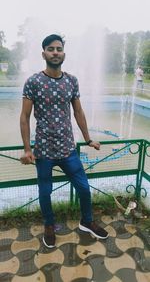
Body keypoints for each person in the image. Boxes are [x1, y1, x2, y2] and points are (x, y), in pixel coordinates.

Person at [20, 34, 108, 248]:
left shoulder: (71, 80)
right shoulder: (33, 81)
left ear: (64, 53)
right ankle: (49, 225)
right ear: (44, 53)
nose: (55, 52)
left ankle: (87, 221)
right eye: (51, 49)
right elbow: (24, 117)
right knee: (45, 192)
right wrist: (27, 149)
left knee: (84, 188)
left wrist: (88, 140)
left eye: (59, 49)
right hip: (43, 152)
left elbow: (78, 111)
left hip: (68, 149)